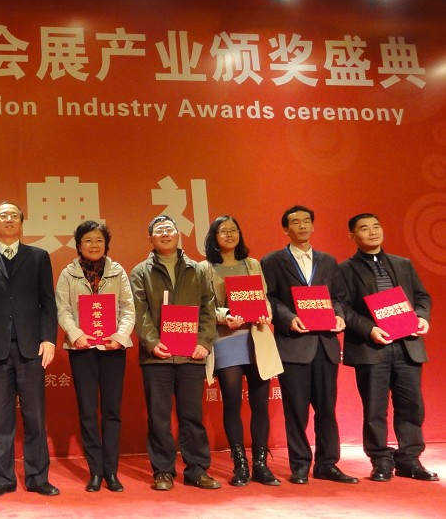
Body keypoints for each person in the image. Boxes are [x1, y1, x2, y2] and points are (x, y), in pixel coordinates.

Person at [261, 205, 358, 485]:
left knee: (327, 409)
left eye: (306, 221)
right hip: (293, 344)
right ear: (286, 229)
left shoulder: (328, 261)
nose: (302, 226)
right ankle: (300, 464)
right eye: (295, 222)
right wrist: (288, 319)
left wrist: (338, 316)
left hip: (325, 345)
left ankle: (327, 464)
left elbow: (338, 298)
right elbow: (270, 298)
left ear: (313, 226)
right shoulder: (272, 261)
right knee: (296, 410)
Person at [0, 202, 60, 498]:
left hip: (31, 348)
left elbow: (48, 302)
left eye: (14, 216)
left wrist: (48, 339)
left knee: (35, 417)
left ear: (22, 222)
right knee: (1, 420)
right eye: (3, 216)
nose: (9, 219)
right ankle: (3, 479)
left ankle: (37, 478)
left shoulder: (38, 256)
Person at [339, 213, 438, 482]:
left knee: (411, 405)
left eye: (376, 226)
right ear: (352, 236)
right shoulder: (344, 269)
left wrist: (422, 317)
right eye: (364, 228)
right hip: (372, 346)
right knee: (375, 409)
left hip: (407, 345)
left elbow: (422, 296)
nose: (373, 232)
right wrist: (369, 329)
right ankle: (381, 461)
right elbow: (342, 307)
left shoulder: (402, 263)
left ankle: (410, 460)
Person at [129, 215, 219, 491]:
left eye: (170, 229)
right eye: (159, 230)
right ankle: (163, 471)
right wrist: (151, 342)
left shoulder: (197, 269)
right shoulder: (140, 272)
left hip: (192, 354)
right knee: (158, 417)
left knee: (192, 416)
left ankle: (197, 470)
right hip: (156, 357)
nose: (165, 233)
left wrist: (204, 341)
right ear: (150, 238)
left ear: (178, 234)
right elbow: (139, 312)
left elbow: (208, 308)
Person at [200, 215, 283, 487]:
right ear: (214, 237)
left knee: (260, 404)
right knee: (232, 403)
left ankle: (261, 464)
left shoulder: (252, 264)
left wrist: (265, 314)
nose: (229, 235)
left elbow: (264, 298)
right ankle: (240, 465)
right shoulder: (205, 268)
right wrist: (225, 316)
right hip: (225, 339)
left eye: (233, 230)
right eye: (223, 231)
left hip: (256, 337)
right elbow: (205, 306)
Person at [55, 220, 134, 493]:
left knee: (112, 411)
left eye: (99, 240)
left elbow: (128, 308)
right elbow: (63, 309)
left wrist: (120, 336)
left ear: (106, 244)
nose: (94, 245)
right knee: (88, 411)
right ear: (79, 245)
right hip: (82, 349)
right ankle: (95, 471)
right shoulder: (68, 274)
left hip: (113, 349)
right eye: (88, 240)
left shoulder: (118, 271)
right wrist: (76, 334)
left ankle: (111, 471)